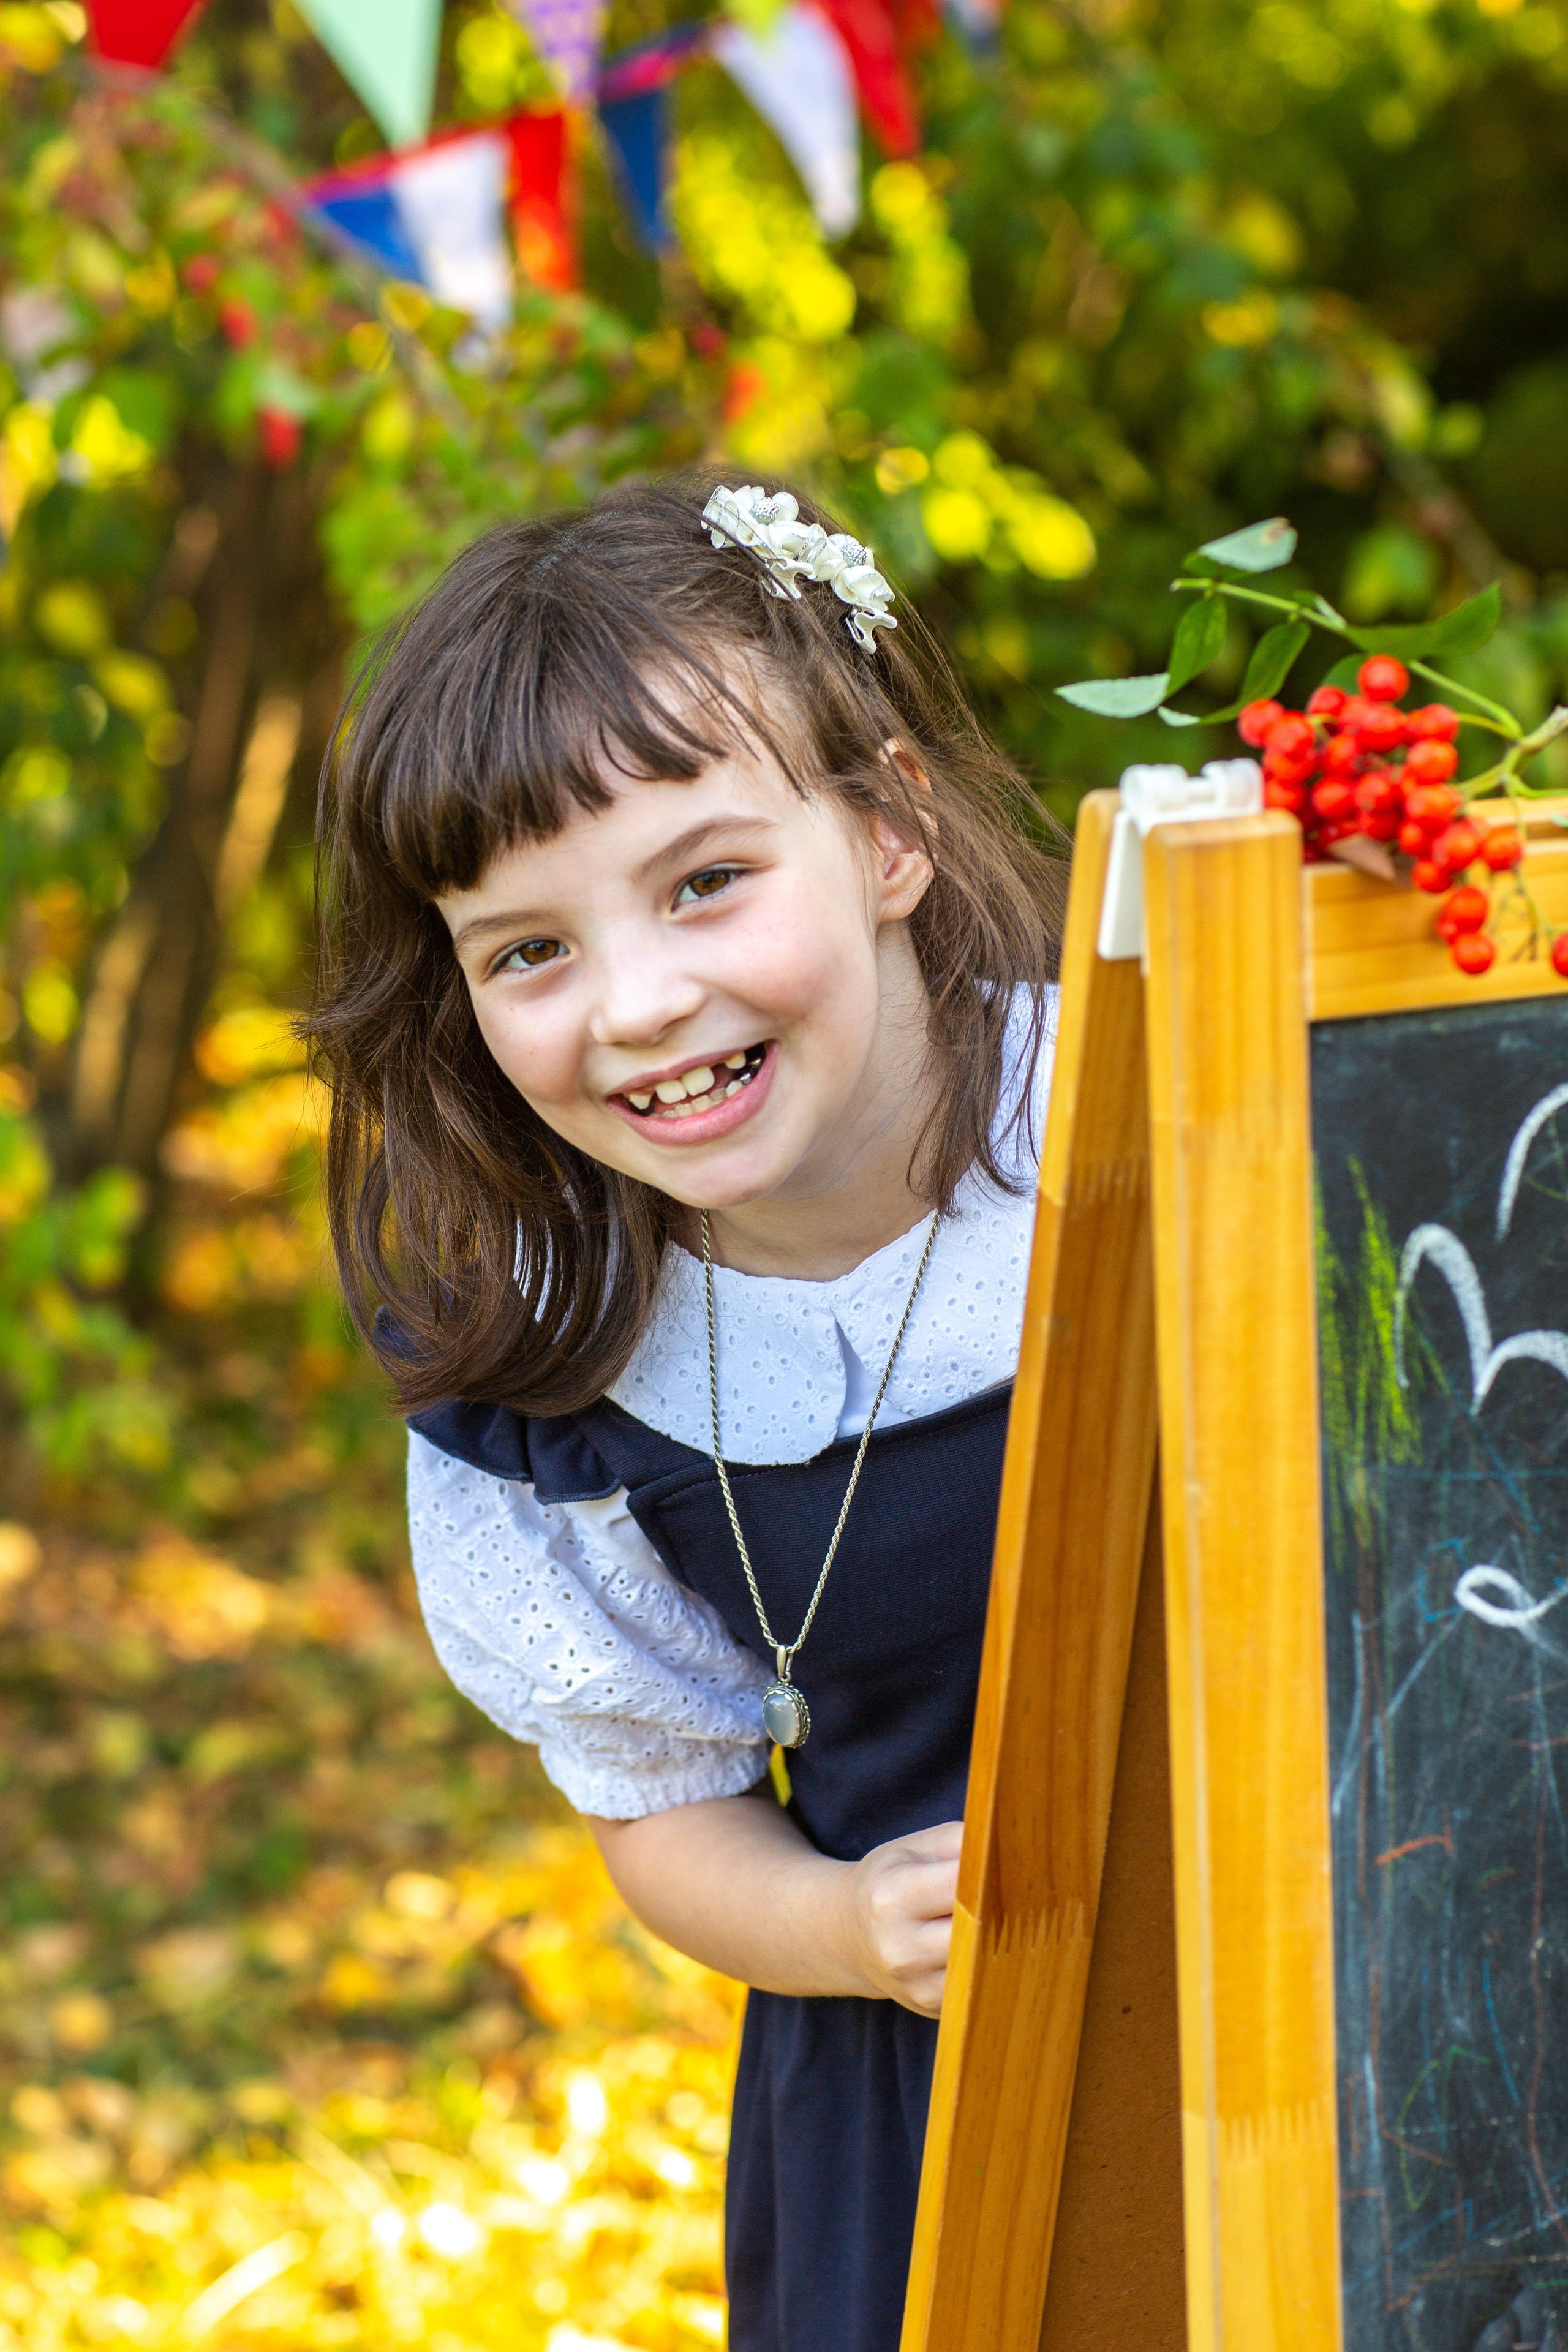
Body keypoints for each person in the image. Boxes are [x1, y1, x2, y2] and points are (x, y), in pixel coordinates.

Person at [312, 473, 1066, 2352]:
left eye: (705, 880)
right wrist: (839, 1935)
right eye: (529, 951)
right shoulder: (563, 1377)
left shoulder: (1145, 1119)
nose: (639, 1002)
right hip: (932, 2089)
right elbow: (665, 1808)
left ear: (888, 829)